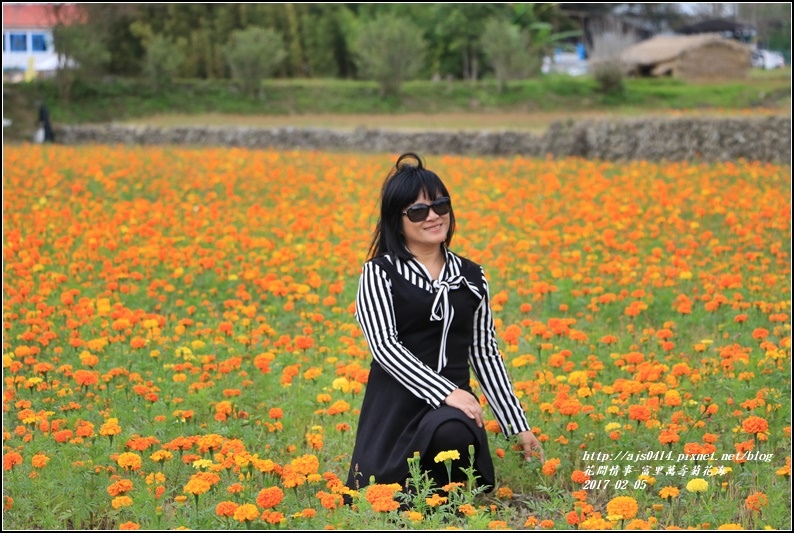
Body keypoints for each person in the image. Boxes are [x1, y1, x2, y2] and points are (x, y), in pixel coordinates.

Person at [345, 152, 544, 502]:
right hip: (394, 408)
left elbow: (484, 354)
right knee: (377, 498)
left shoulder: (472, 276)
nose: (434, 216)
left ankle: (441, 500)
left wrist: (518, 426)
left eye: (440, 205)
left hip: (450, 413)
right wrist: (446, 392)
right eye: (418, 211)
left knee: (453, 430)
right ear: (397, 220)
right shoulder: (379, 273)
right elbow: (384, 347)